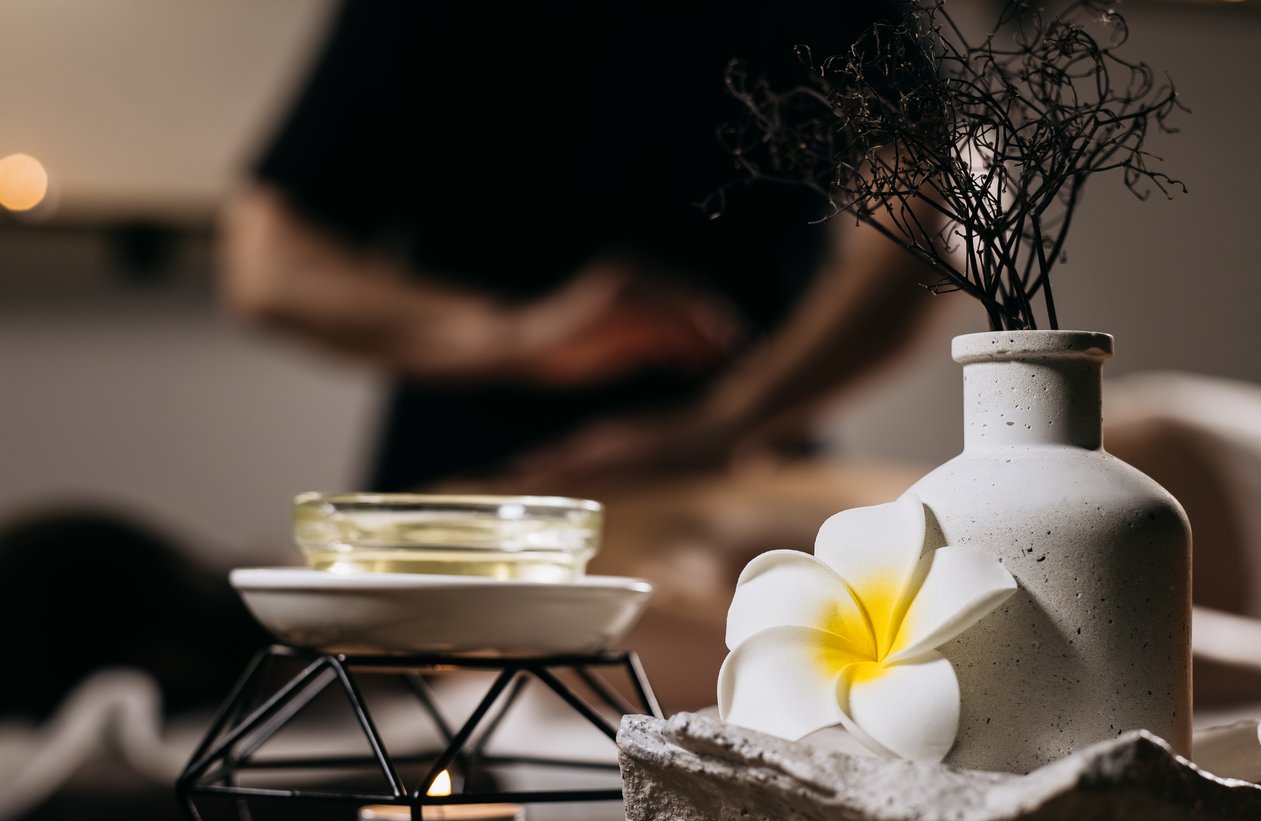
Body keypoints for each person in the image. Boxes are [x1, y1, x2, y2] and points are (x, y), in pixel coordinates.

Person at [221, 0, 931, 496]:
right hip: (477, 494)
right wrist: (519, 335)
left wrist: (727, 422)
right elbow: (268, 263)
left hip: (738, 479)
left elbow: (923, 219)